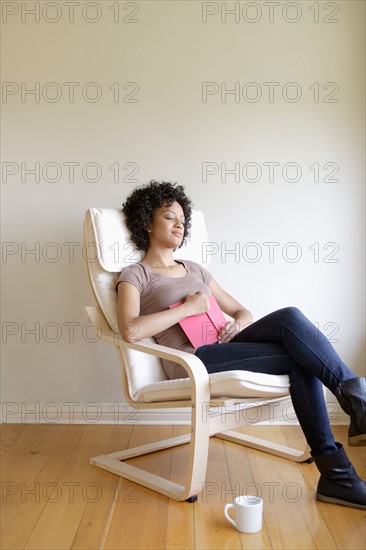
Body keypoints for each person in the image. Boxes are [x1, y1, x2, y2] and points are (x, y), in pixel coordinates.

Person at [116, 180, 366, 510]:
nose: (180, 224)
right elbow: (130, 330)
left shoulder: (195, 269)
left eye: (182, 218)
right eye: (169, 217)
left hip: (225, 343)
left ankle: (352, 420)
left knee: (290, 317)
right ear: (147, 222)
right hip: (195, 358)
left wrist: (238, 324)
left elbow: (241, 310)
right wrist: (190, 309)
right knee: (301, 357)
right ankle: (342, 461)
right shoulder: (136, 274)